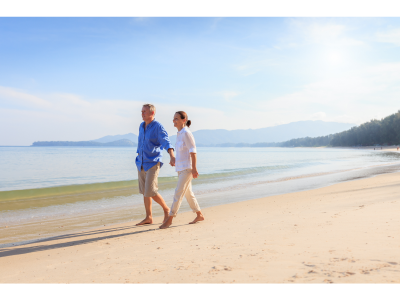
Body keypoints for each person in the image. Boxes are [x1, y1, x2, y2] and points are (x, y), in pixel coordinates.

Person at [160, 111, 204, 229]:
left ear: (184, 120)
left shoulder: (186, 133)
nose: (174, 121)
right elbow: (182, 153)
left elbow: (193, 151)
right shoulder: (179, 134)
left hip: (187, 169)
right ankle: (199, 214)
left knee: (178, 193)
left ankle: (169, 219)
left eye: (176, 119)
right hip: (180, 168)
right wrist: (174, 160)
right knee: (188, 193)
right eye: (173, 119)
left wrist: (194, 168)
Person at [135, 104, 175, 226]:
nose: (142, 114)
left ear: (152, 113)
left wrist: (172, 156)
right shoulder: (141, 126)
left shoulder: (158, 127)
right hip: (141, 162)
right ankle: (149, 217)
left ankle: (167, 209)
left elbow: (166, 142)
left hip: (153, 162)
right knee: (144, 192)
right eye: (141, 111)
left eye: (145, 112)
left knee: (151, 191)